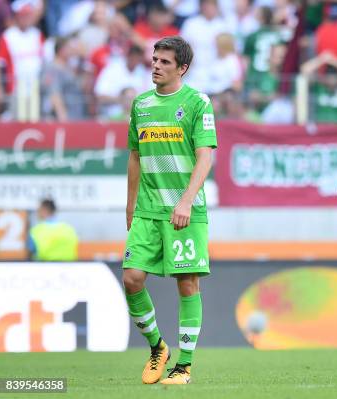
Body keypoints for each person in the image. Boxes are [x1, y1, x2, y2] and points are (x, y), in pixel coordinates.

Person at [123, 36, 217, 385]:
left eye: (164, 62)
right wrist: (130, 203)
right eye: (155, 59)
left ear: (182, 68)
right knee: (132, 278)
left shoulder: (197, 103)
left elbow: (205, 156)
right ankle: (157, 347)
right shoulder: (141, 104)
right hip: (148, 208)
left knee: (187, 284)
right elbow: (134, 156)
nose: (156, 66)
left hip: (183, 210)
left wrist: (186, 200)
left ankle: (184, 366)